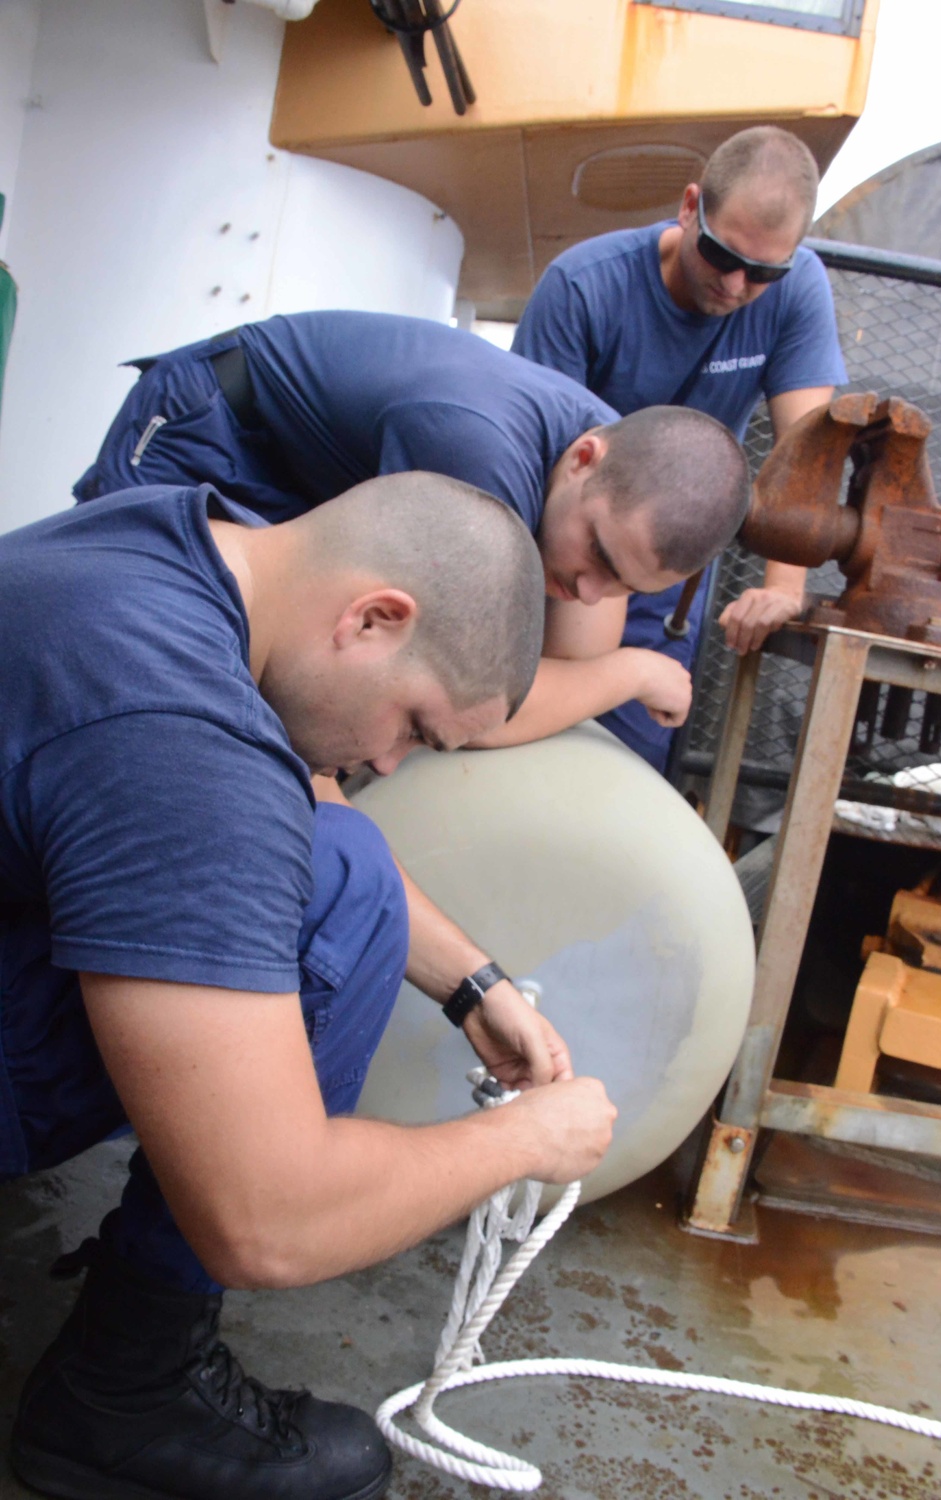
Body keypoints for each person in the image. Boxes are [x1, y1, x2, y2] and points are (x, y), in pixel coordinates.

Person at [0, 472, 617, 1500]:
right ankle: (124, 1396)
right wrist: (528, 1140)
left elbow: (296, 808)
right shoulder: (180, 741)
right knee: (343, 888)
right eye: (415, 726)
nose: (385, 758)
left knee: (347, 859)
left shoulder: (163, 546)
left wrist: (471, 985)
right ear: (374, 618)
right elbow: (268, 1223)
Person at [74, 309, 751, 750]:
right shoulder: (478, 454)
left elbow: (563, 670)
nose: (585, 587)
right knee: (150, 672)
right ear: (583, 458)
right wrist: (633, 671)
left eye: (621, 585)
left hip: (292, 482)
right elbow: (483, 706)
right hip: (211, 431)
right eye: (598, 553)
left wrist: (594, 662)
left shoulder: (620, 481)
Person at [513, 125, 848, 773]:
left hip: (668, 571)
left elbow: (808, 453)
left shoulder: (797, 289)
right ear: (690, 206)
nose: (736, 285)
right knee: (541, 730)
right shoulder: (584, 287)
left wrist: (784, 585)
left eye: (763, 271)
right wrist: (585, 594)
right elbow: (540, 460)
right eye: (722, 256)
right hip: (567, 549)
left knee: (629, 755)